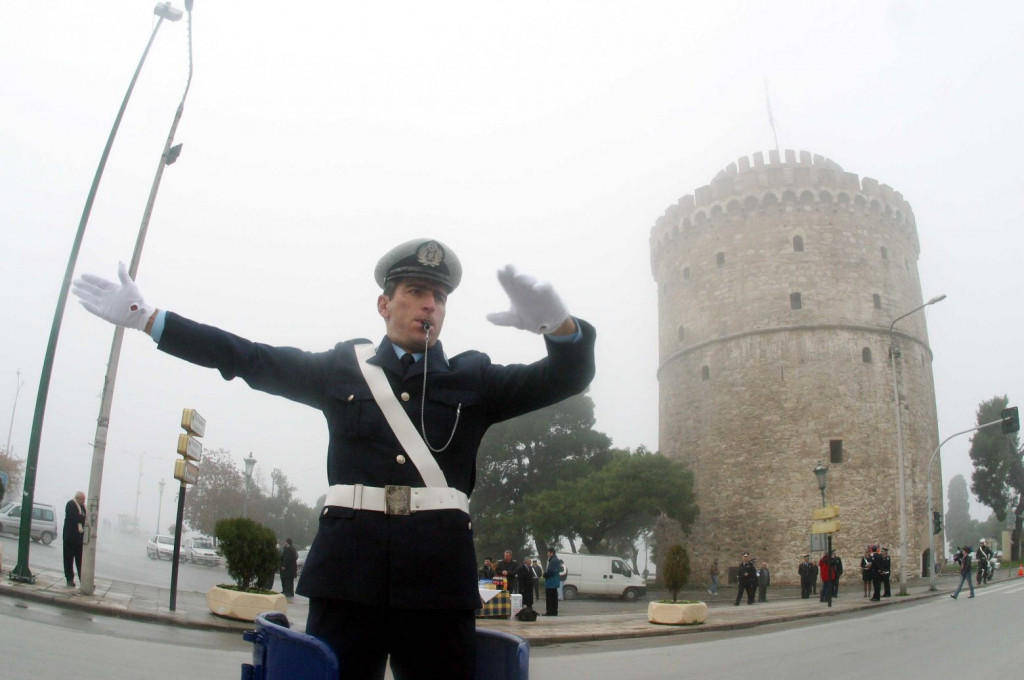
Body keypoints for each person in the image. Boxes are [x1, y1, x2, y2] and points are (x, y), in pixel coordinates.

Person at [71, 238, 596, 680]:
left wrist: (560, 327)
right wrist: (151, 321)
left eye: (437, 295)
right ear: (384, 304)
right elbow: (248, 358)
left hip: (437, 584)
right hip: (349, 579)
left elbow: (565, 378)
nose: (428, 304)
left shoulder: (474, 378)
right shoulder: (343, 368)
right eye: (414, 291)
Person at [62, 491, 87, 587]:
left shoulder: (83, 507)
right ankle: (69, 579)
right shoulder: (70, 504)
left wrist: (84, 518)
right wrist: (84, 518)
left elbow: (83, 517)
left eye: (84, 499)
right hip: (70, 538)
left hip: (79, 539)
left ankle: (83, 580)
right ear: (77, 498)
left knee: (80, 561)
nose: (83, 501)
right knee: (68, 560)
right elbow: (75, 518)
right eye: (82, 499)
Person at [543, 547, 563, 616]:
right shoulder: (556, 560)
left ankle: (549, 612)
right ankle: (554, 611)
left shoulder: (553, 560)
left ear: (552, 553)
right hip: (555, 582)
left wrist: (545, 575)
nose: (547, 554)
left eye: (548, 553)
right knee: (554, 597)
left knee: (550, 598)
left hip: (551, 582)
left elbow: (550, 571)